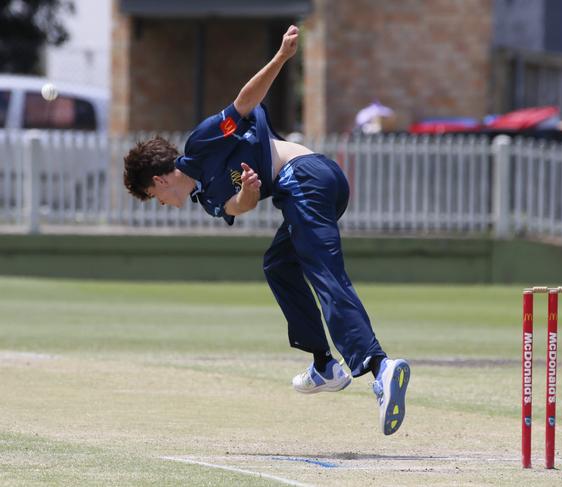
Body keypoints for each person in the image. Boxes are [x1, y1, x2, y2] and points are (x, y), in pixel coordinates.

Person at [122, 25, 410, 435]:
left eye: (154, 197)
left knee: (324, 273)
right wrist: (251, 193)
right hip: (306, 188)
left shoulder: (201, 144)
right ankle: (325, 364)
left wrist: (281, 58)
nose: (161, 204)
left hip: (306, 177)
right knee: (278, 264)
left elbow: (244, 104)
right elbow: (238, 205)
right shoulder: (205, 197)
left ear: (158, 181)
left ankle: (378, 366)